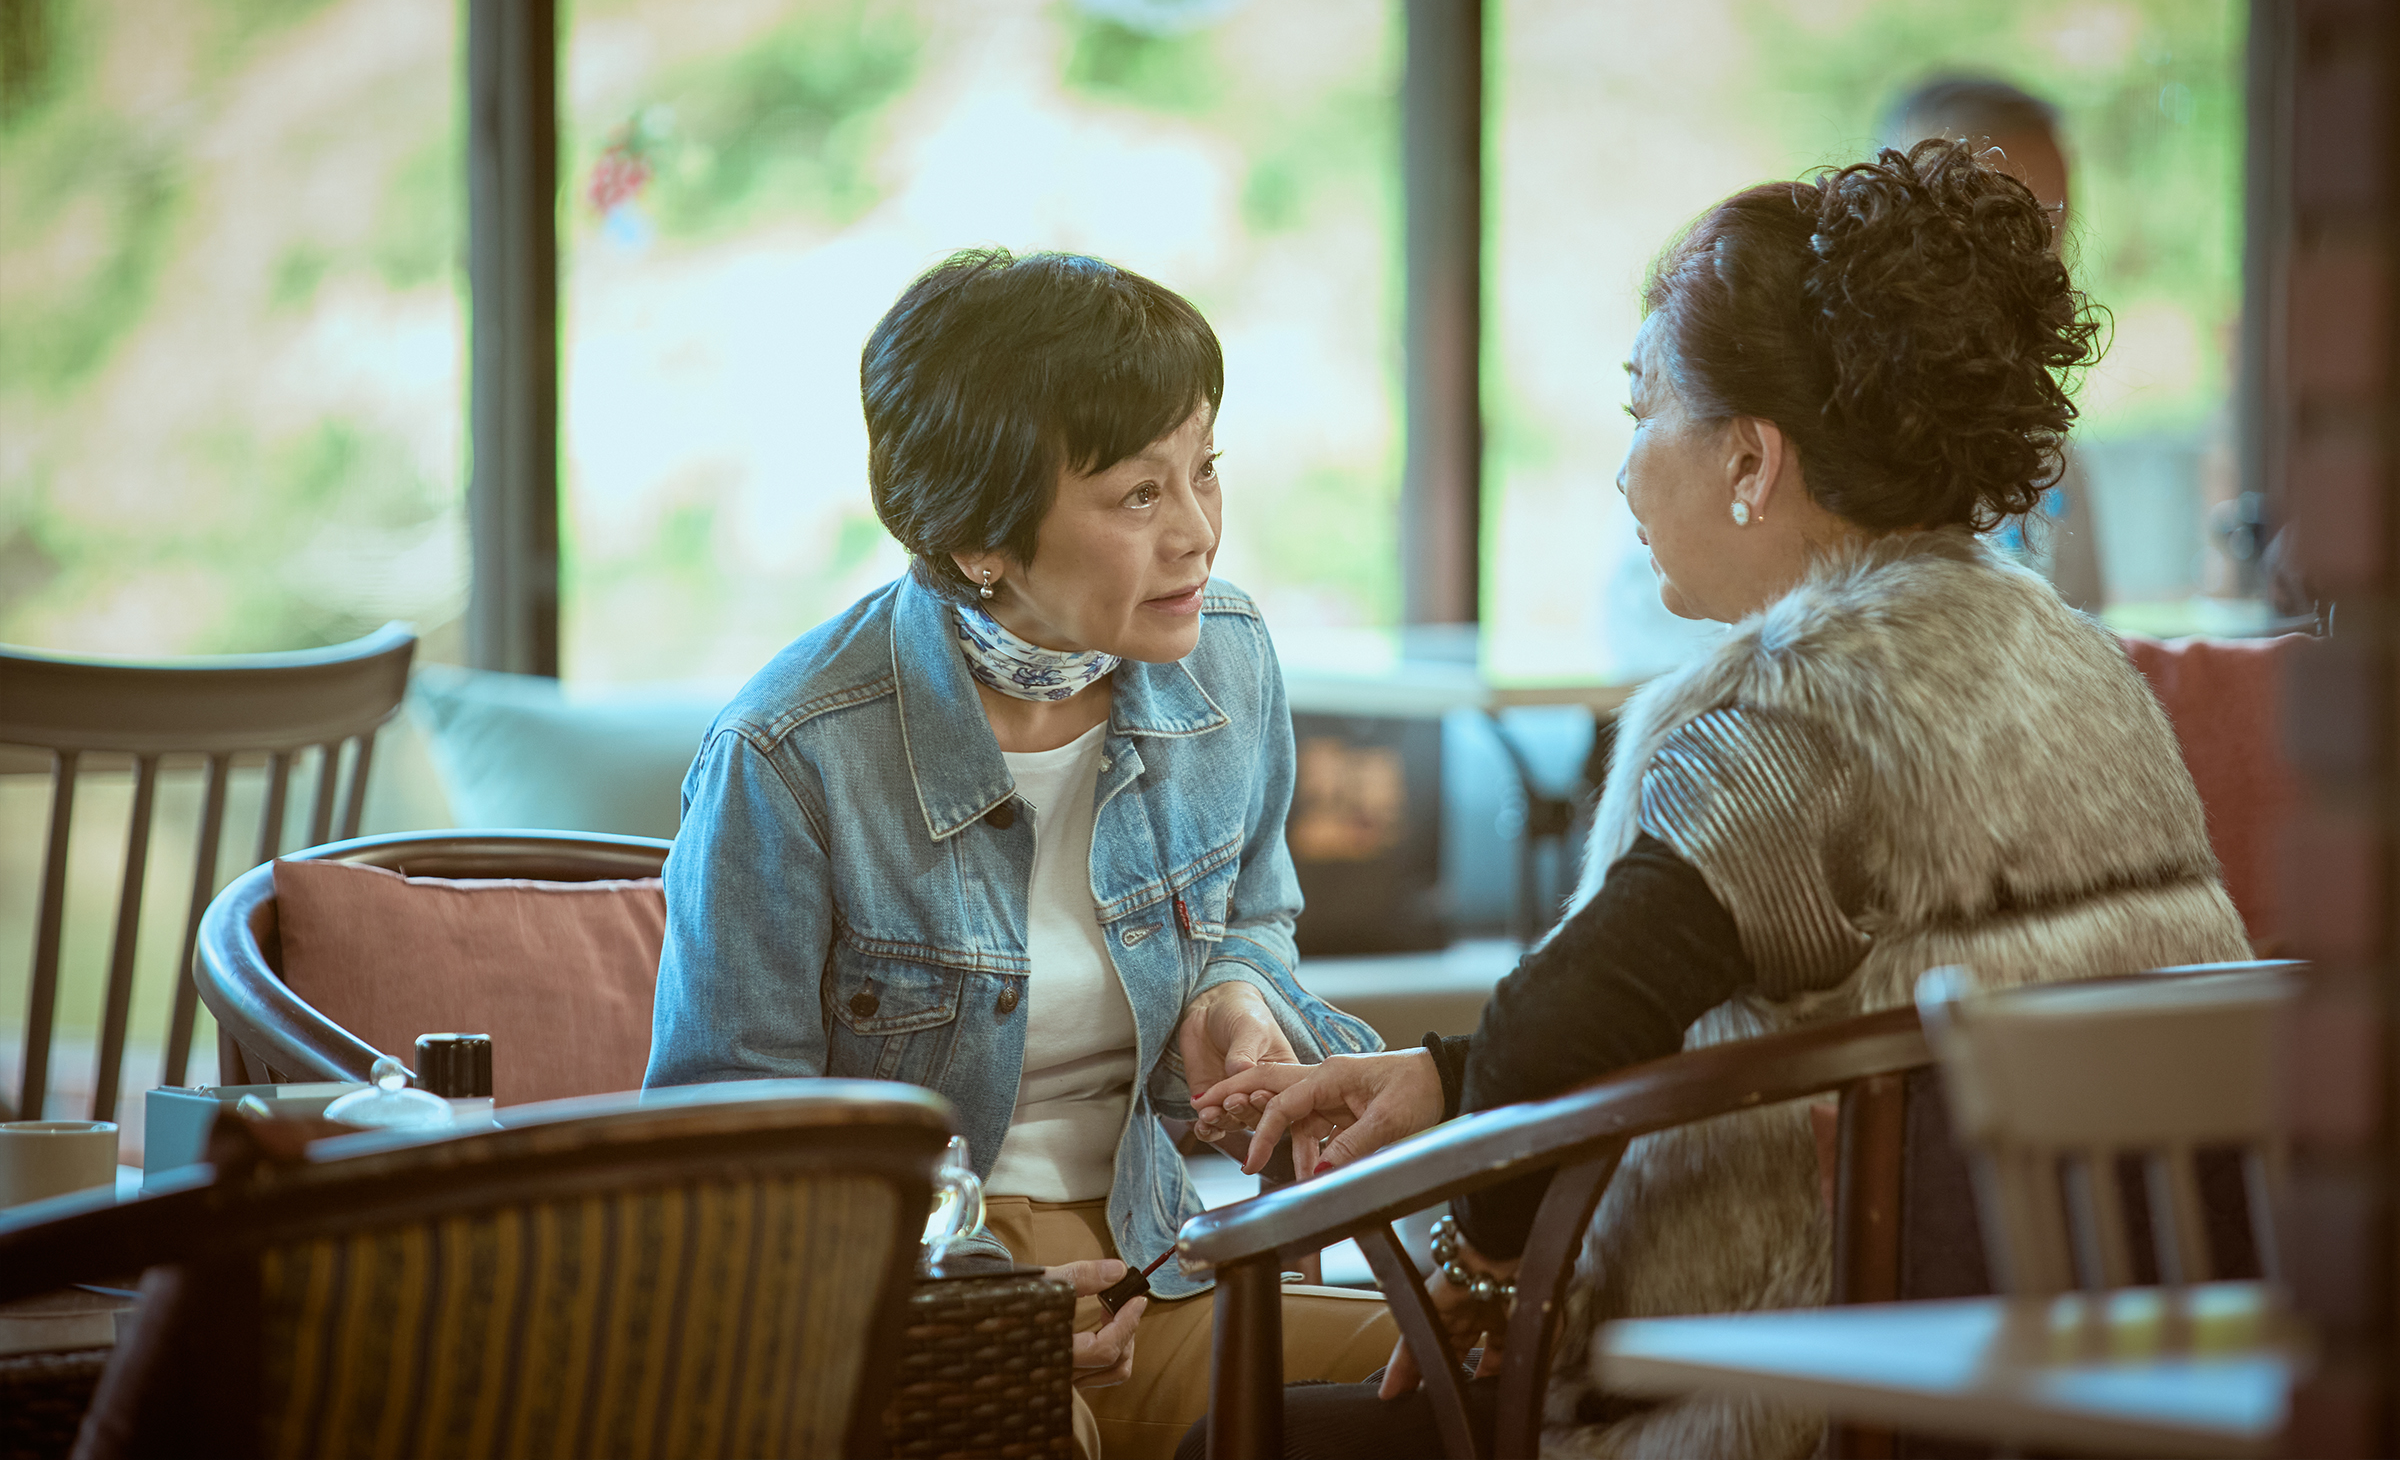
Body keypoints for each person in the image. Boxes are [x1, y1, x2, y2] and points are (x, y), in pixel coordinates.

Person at [1181, 142, 2252, 1459]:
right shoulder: (2063, 654)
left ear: (1750, 458)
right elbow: (1599, 1020)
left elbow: (1583, 1014)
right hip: (2110, 1363)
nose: (1627, 473)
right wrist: (1450, 1075)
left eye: (1643, 415)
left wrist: (1480, 1278)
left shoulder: (1804, 710)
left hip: (1814, 1393)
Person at [646, 248, 1396, 1460]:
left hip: (1157, 1263)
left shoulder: (1231, 659)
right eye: (1138, 497)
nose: (1198, 535)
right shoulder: (788, 756)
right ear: (978, 535)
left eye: (1204, 472)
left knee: (1469, 1371)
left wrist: (1235, 992)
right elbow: (733, 1160)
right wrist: (971, 1306)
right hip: (899, 1314)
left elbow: (1254, 915)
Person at [1885, 74, 2108, 613]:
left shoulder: (2047, 445)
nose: (2044, 264)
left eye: (2055, 230)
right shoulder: (1814, 434)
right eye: (2003, 227)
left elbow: (2092, 641)